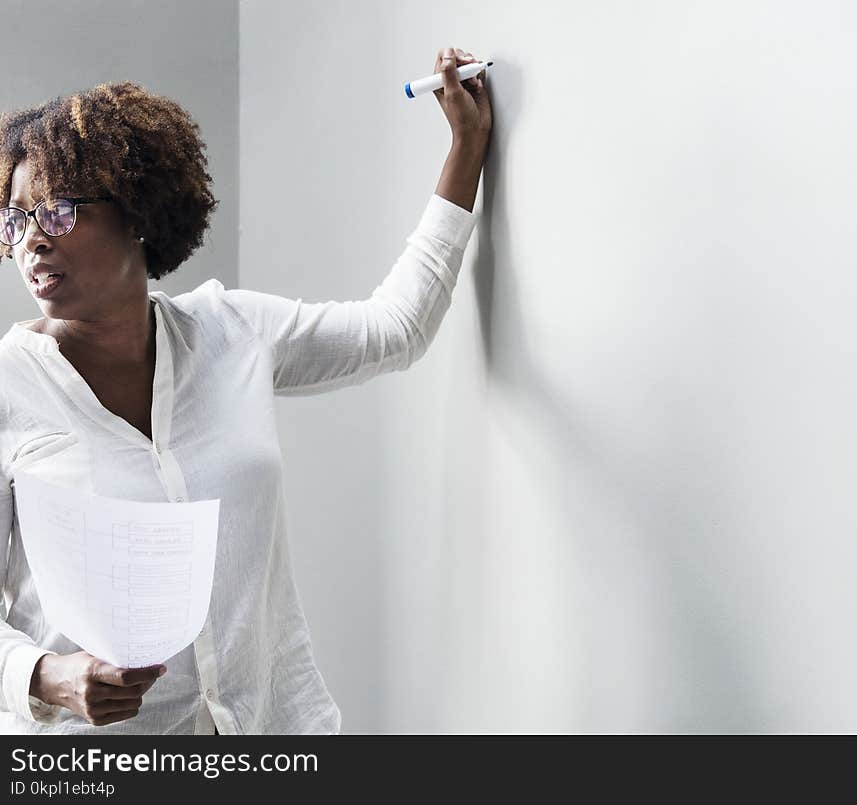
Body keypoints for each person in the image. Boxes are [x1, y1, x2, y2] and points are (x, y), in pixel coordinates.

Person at [0, 46, 491, 734]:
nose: (31, 242)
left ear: (137, 212)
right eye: (16, 220)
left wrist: (467, 146)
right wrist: (43, 675)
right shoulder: (9, 389)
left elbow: (395, 330)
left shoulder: (229, 330)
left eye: (56, 212)